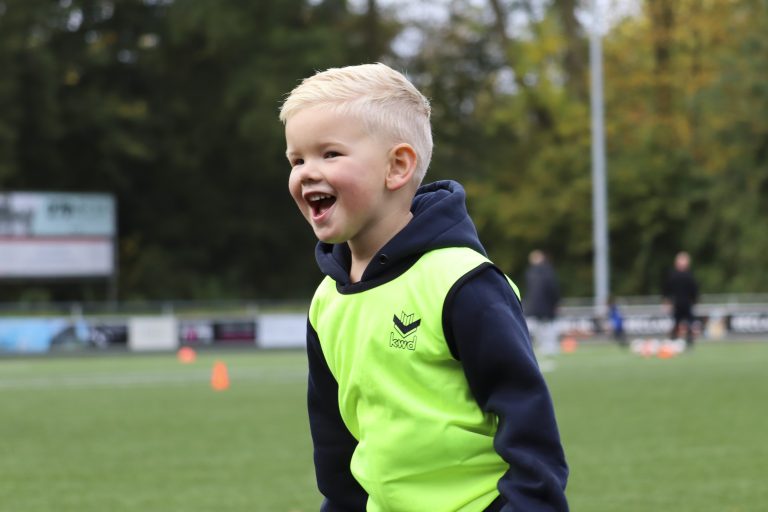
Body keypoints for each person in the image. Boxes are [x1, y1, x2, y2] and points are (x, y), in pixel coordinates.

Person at [279, 63, 568, 511]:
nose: (306, 173)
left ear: (397, 166)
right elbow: (335, 447)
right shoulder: (327, 301)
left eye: (330, 154)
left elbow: (528, 424)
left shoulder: (461, 281)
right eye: (297, 160)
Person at [523, 250, 561, 357]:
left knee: (541, 326)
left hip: (536, 306)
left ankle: (545, 346)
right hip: (543, 306)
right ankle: (548, 347)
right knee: (545, 326)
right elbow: (554, 289)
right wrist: (556, 302)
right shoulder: (547, 271)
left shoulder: (531, 272)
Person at [663, 251, 699, 349]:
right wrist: (667, 302)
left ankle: (689, 342)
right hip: (677, 304)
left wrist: (694, 300)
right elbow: (667, 290)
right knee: (675, 323)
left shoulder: (689, 275)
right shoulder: (673, 275)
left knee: (690, 323)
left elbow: (694, 289)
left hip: (687, 303)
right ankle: (673, 342)